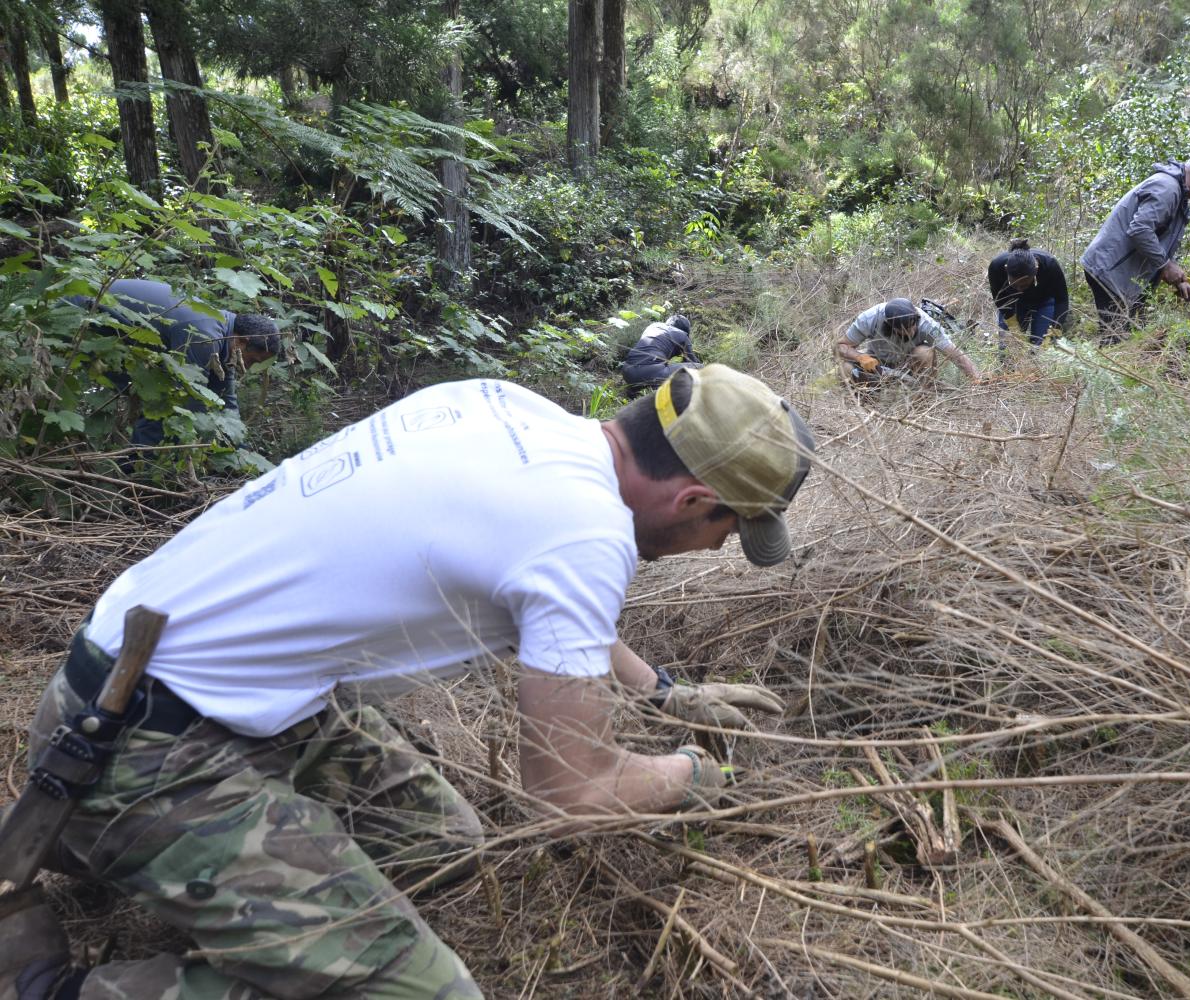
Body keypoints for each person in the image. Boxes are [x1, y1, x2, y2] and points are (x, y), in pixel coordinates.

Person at [2, 364, 814, 999]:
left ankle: (106, 844)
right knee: (419, 992)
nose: (716, 549)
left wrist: (664, 691)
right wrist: (692, 774)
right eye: (729, 529)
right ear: (694, 498)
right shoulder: (585, 536)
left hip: (165, 674)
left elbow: (555, 607)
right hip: (139, 740)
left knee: (442, 850)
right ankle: (54, 978)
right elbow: (568, 796)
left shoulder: (508, 408)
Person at [63, 278, 282, 447]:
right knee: (164, 402)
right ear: (241, 342)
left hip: (103, 324)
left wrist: (240, 449)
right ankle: (137, 473)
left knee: (158, 396)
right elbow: (189, 401)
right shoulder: (206, 335)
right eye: (253, 360)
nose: (249, 367)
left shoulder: (223, 332)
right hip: (76, 313)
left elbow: (226, 399)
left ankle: (139, 462)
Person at [1080, 150, 1190, 342]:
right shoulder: (1167, 188)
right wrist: (1165, 265)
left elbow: (1159, 239)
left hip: (1121, 274)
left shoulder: (1176, 191)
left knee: (1133, 338)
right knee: (1117, 342)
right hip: (1110, 271)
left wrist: (1176, 277)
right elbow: (1140, 230)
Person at [835, 297, 983, 385]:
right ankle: (867, 403)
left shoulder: (927, 324)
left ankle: (922, 398)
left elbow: (953, 353)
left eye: (911, 327)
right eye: (902, 331)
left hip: (910, 369)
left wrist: (976, 379)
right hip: (877, 367)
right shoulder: (870, 318)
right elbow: (841, 346)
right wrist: (860, 357)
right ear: (889, 325)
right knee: (845, 369)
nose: (910, 333)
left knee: (924, 352)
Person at [987, 239, 1071, 347]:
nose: (1019, 289)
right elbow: (999, 299)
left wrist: (1054, 330)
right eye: (1014, 285)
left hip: (1044, 302)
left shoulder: (1050, 264)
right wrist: (1012, 324)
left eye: (1024, 285)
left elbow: (1062, 300)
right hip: (1013, 303)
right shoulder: (996, 266)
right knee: (1008, 347)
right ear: (1006, 269)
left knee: (1040, 347)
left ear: (1036, 270)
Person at [622, 313, 701, 397]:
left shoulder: (653, 326)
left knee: (659, 368)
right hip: (649, 373)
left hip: (627, 372)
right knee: (699, 367)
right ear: (686, 330)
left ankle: (636, 390)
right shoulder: (682, 335)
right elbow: (692, 361)